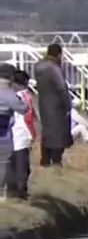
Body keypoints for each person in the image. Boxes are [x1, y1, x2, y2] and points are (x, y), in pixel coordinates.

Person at [34, 42, 72, 167]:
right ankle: (56, 160)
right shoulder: (54, 68)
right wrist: (67, 104)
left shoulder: (38, 66)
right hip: (57, 106)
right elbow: (62, 87)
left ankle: (45, 159)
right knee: (59, 134)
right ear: (58, 54)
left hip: (44, 104)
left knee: (46, 133)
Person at [0, 66, 29, 200]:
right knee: (3, 161)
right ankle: (1, 193)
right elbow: (23, 108)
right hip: (3, 129)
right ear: (11, 77)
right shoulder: (8, 92)